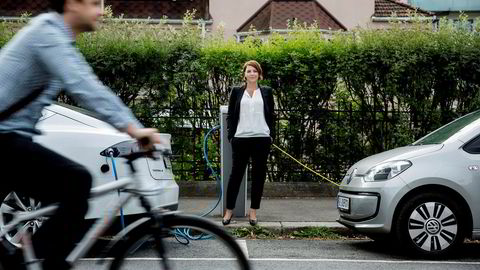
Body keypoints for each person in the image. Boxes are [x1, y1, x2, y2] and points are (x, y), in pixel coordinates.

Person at [0, 0, 164, 269]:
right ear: (71, 4)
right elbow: (84, 86)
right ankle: (27, 264)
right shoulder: (48, 35)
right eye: (93, 3)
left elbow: (86, 82)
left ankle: (31, 261)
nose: (101, 11)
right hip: (4, 138)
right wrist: (134, 129)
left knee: (67, 196)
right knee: (77, 181)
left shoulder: (57, 38)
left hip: (12, 137)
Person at [223, 60, 275, 226]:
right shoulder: (237, 92)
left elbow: (272, 115)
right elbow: (231, 116)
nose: (252, 73)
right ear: (244, 74)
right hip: (241, 139)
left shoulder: (266, 92)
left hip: (261, 139)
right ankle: (228, 212)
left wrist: (271, 135)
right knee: (235, 176)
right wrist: (231, 136)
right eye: (249, 71)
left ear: (259, 74)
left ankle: (253, 213)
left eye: (255, 71)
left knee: (259, 177)